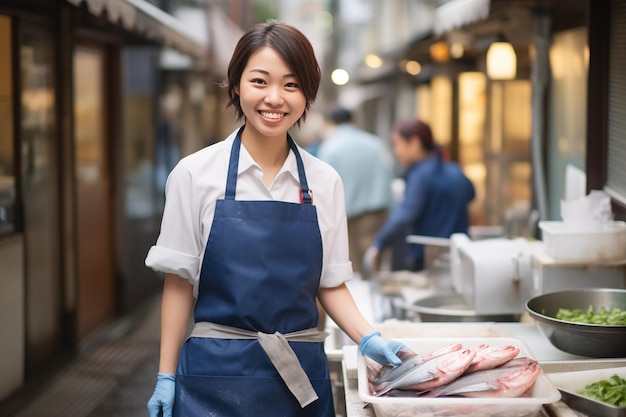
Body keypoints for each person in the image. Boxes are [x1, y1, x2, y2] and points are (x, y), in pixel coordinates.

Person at [145, 21, 408, 417]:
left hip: (299, 377)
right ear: (236, 86)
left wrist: (368, 337)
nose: (275, 98)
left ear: (308, 94)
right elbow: (179, 282)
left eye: (291, 85)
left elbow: (330, 285)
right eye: (260, 81)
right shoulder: (193, 174)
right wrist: (165, 375)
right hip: (213, 377)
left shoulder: (325, 181)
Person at [364, 118, 475, 272]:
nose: (397, 151)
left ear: (415, 143)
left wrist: (378, 243)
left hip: (428, 261)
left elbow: (404, 216)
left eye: (397, 143)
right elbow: (471, 193)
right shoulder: (455, 171)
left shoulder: (420, 177)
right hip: (457, 257)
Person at [317, 107, 393, 275]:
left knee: (353, 268)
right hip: (377, 213)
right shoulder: (375, 143)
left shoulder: (330, 148)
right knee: (374, 264)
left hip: (346, 216)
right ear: (354, 121)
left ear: (333, 123)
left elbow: (323, 186)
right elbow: (389, 174)